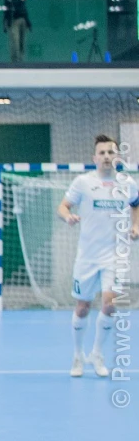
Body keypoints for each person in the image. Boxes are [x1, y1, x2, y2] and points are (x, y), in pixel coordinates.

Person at [57, 135, 139, 377]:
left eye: (110, 152)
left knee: (110, 304)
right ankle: (77, 355)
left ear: (117, 157)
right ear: (94, 158)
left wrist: (136, 226)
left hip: (114, 256)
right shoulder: (83, 182)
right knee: (83, 307)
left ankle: (97, 353)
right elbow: (63, 206)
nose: (106, 156)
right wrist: (68, 217)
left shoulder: (128, 183)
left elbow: (136, 204)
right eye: (102, 153)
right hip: (87, 257)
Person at [0, 0, 32, 64]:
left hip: (23, 18)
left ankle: (21, 64)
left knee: (22, 44)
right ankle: (14, 64)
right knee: (14, 43)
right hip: (11, 19)